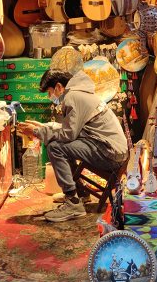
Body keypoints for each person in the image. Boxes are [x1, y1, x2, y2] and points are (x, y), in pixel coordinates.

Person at [17, 69, 128, 222]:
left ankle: (73, 203)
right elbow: (71, 129)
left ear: (58, 86)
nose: (51, 97)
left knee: (55, 147)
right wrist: (43, 127)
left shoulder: (72, 97)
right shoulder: (80, 92)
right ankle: (80, 192)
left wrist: (37, 132)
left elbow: (68, 134)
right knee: (62, 144)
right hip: (113, 150)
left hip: (110, 154)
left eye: (50, 92)